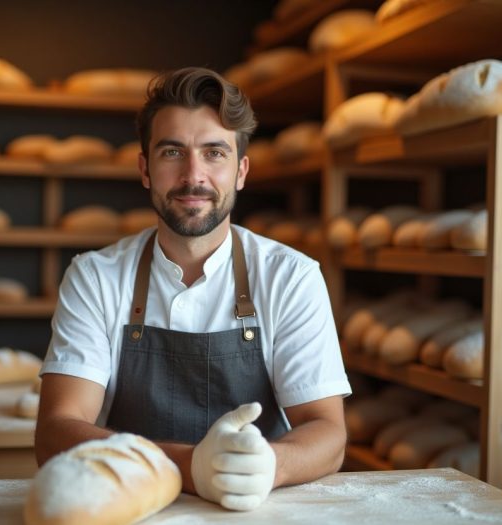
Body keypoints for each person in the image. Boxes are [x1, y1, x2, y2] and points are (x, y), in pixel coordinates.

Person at [35, 66, 351, 511]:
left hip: (254, 509)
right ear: (145, 168)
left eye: (214, 153)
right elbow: (56, 430)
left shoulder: (291, 276)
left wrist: (269, 465)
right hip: (134, 510)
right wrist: (191, 467)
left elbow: (327, 431)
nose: (193, 175)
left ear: (241, 171)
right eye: (172, 152)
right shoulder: (96, 277)